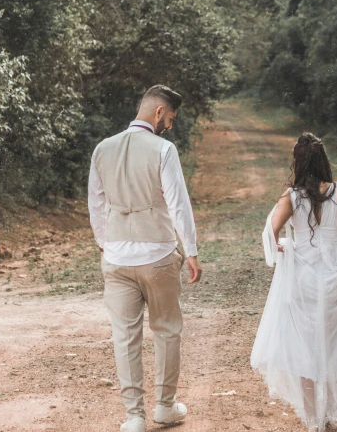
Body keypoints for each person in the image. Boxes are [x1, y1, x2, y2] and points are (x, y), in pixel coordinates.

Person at [88, 84, 202, 432]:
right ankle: (165, 407)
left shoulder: (102, 149)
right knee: (167, 331)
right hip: (157, 255)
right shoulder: (163, 149)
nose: (169, 124)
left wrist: (106, 245)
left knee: (125, 336)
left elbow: (96, 203)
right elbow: (178, 204)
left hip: (117, 259)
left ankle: (134, 416)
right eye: (170, 117)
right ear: (158, 112)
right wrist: (192, 251)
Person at [251, 132, 337, 432]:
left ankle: (314, 419)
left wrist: (281, 248)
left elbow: (269, 231)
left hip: (304, 279)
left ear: (298, 162)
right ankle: (332, 411)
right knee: (333, 344)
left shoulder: (292, 196)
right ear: (324, 161)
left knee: (306, 346)